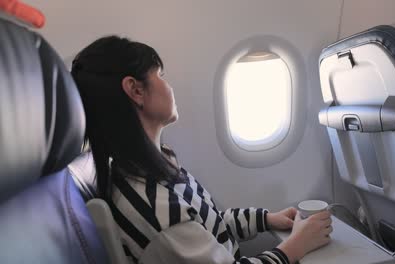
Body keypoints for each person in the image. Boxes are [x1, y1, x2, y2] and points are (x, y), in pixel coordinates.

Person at [71, 36, 333, 264]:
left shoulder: (155, 167)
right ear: (136, 90)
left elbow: (209, 225)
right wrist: (295, 247)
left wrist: (267, 219)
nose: (169, 86)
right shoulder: (154, 208)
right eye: (160, 75)